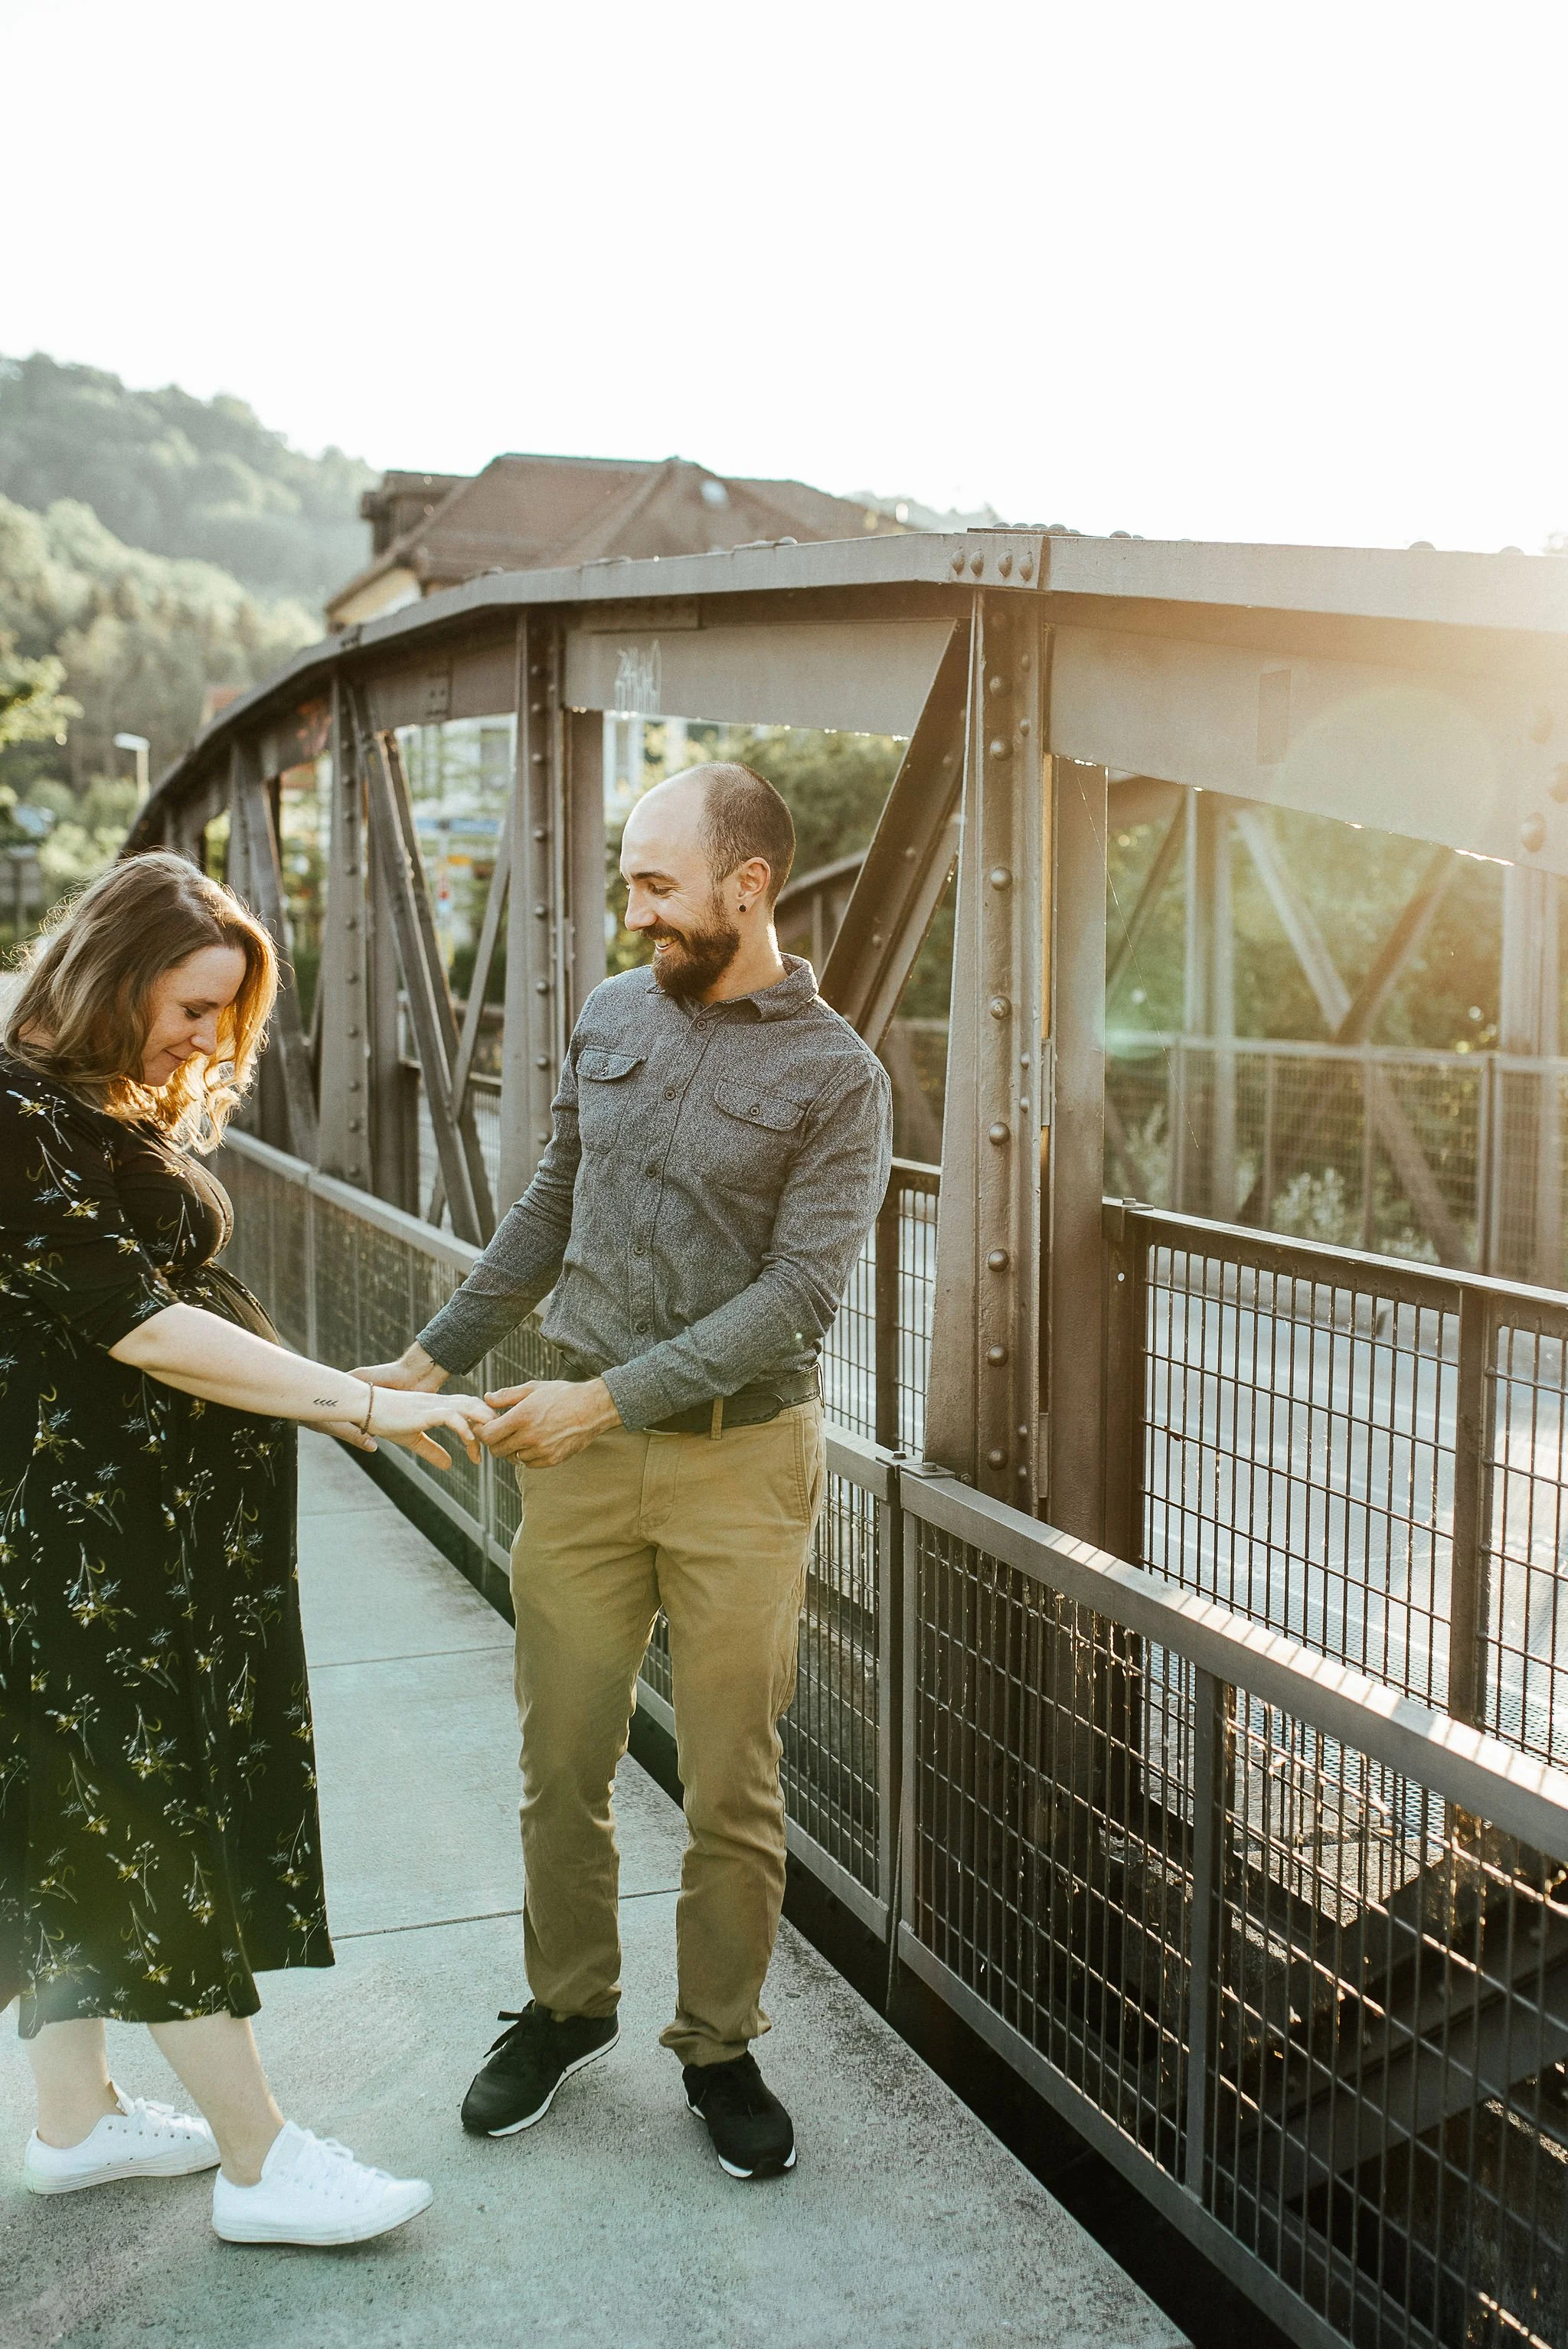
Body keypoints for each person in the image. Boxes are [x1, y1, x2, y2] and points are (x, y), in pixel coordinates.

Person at [355, 762, 891, 2181]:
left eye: (658, 884)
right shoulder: (608, 1015)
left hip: (740, 1467)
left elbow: (795, 1301)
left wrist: (599, 1401)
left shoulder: (839, 1078)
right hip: (582, 1468)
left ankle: (717, 2046)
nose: (634, 908)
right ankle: (565, 2008)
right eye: (630, 883)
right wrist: (429, 1359)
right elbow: (546, 1208)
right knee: (561, 1761)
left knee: (732, 1781)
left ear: (748, 885)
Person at [1, 851, 493, 2246]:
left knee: (65, 1819)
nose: (211, 1041)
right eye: (196, 1004)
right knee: (137, 1821)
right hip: (81, 1543)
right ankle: (261, 2160)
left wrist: (336, 1393)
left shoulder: (71, 1097)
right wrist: (364, 1405)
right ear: (111, 971)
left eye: (228, 1012)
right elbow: (141, 1326)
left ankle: (76, 2119)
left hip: (138, 1533)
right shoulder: (8, 1111)